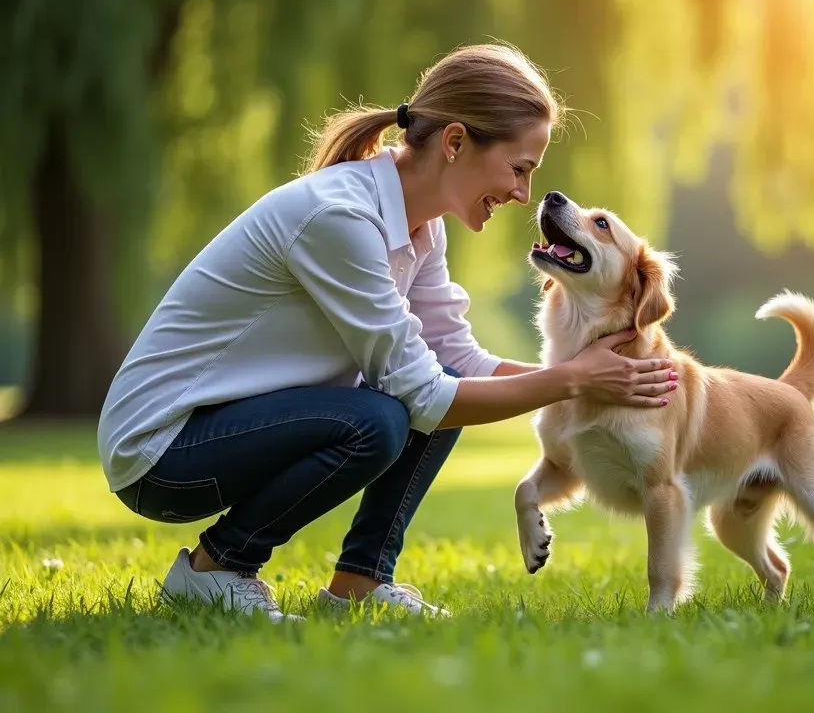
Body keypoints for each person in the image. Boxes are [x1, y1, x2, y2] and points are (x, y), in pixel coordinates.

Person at [97, 43, 678, 622]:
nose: (523, 194)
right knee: (381, 420)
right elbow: (424, 395)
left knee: (431, 389)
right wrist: (574, 380)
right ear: (454, 143)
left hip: (226, 428)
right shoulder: (340, 217)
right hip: (161, 451)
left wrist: (595, 379)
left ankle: (360, 580)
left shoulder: (420, 226)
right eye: (518, 169)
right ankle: (215, 570)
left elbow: (456, 360)